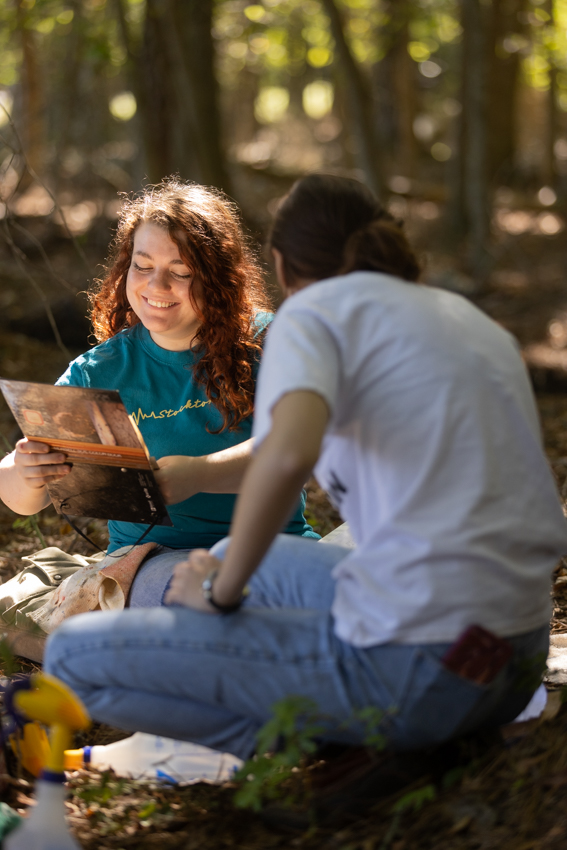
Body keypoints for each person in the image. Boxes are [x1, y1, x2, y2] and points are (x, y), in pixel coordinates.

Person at [45, 174, 567, 758]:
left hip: (427, 664)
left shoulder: (310, 319)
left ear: (282, 264)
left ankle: (278, 747)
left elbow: (286, 455)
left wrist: (221, 591)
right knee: (231, 561)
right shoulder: (466, 320)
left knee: (74, 656)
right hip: (515, 654)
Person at [0, 178, 316, 610]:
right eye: (142, 265)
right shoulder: (101, 371)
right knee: (208, 600)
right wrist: (25, 470)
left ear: (219, 278)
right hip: (153, 564)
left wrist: (198, 474)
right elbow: (22, 499)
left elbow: (299, 449)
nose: (156, 285)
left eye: (181, 272)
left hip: (274, 548)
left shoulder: (272, 342)